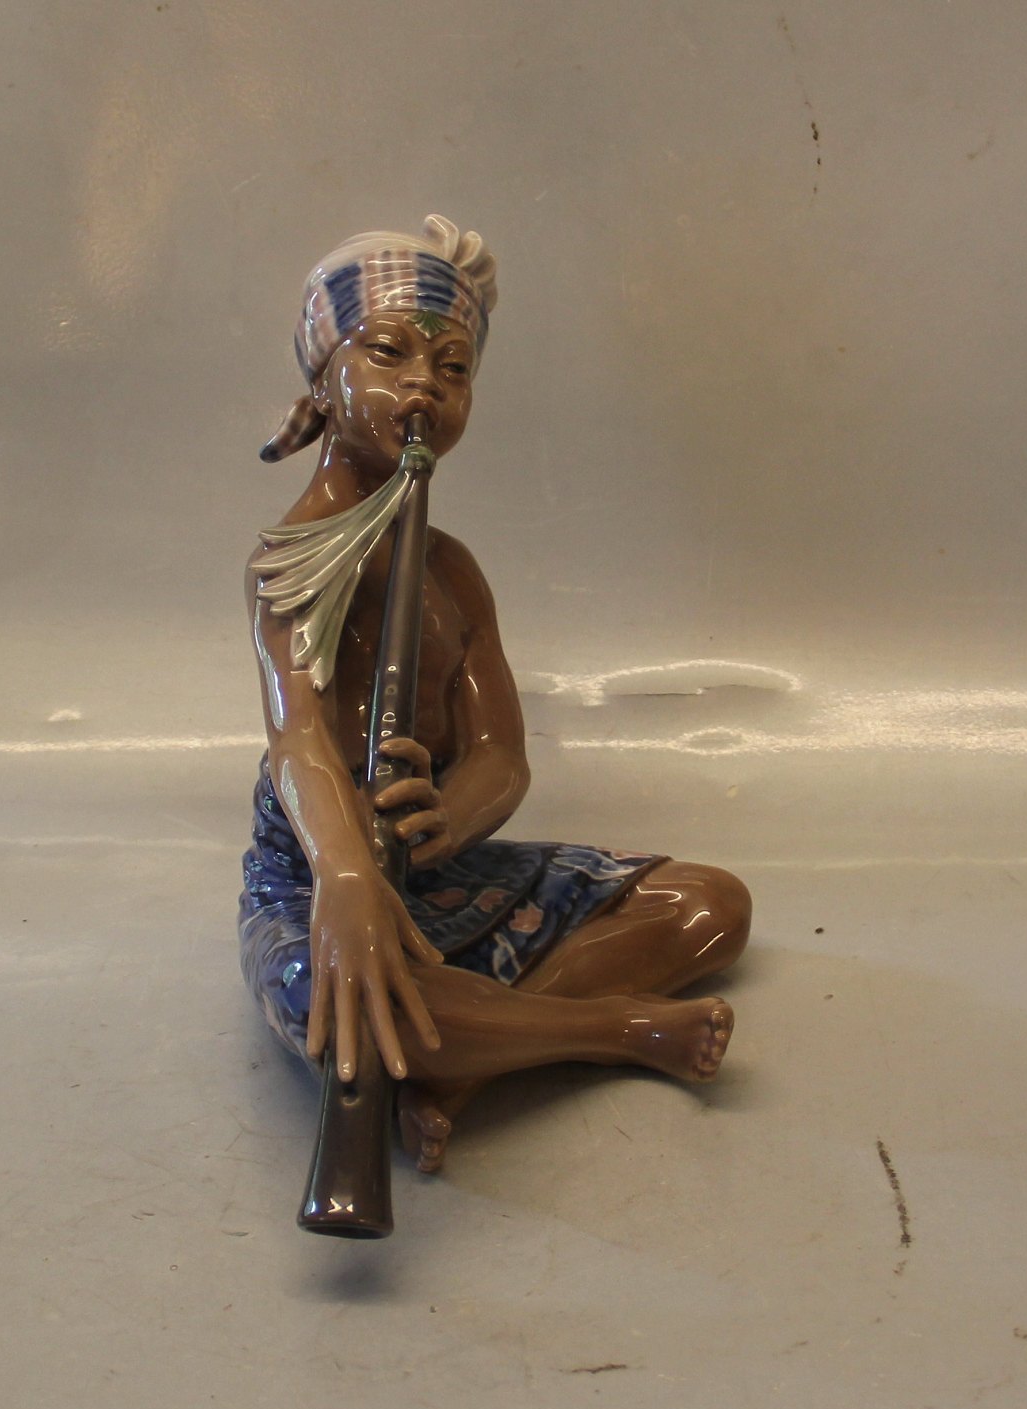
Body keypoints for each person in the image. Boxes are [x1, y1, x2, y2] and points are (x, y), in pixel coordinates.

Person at [240, 216, 750, 1173]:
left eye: (453, 367)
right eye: (387, 353)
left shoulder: (451, 570)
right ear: (322, 380)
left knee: (709, 906)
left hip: (433, 859)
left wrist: (451, 819)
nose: (423, 385)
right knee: (350, 1006)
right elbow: (297, 737)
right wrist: (347, 878)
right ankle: (616, 1030)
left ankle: (465, 1070)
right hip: (319, 865)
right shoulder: (293, 561)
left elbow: (500, 755)